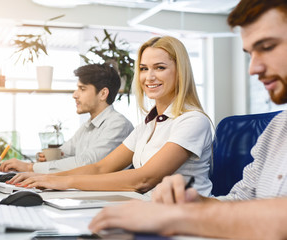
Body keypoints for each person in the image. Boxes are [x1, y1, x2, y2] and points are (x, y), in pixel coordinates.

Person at [89, 1, 287, 239]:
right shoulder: (276, 130)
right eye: (250, 54)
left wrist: (180, 217)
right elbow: (241, 200)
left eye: (267, 47)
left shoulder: (192, 120)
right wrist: (195, 202)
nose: (252, 68)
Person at [7, 36, 213, 195]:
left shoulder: (193, 120)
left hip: (183, 216)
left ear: (180, 72)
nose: (149, 77)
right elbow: (101, 167)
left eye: (160, 68)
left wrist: (60, 181)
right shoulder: (147, 125)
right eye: (143, 69)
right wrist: (40, 176)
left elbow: (145, 178)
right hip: (148, 209)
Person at [0, 63, 134, 173]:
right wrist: (45, 158)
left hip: (108, 200)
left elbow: (88, 163)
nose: (74, 95)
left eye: (82, 89)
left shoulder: (118, 125)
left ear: (103, 94)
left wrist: (30, 168)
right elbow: (64, 153)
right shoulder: (88, 126)